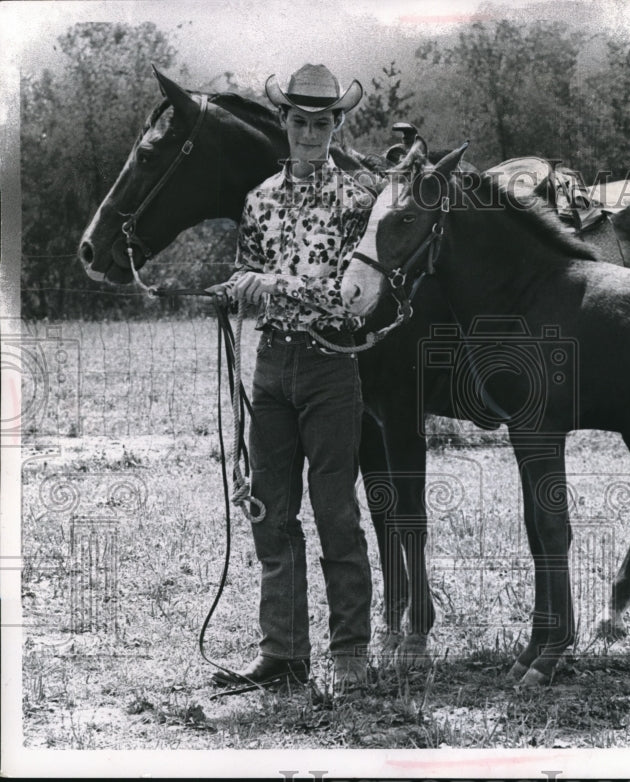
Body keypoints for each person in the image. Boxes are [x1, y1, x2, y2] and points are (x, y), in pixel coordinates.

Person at [208, 64, 376, 693]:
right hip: (271, 365)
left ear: (336, 126)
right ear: (284, 123)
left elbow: (351, 299)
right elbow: (248, 272)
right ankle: (283, 653)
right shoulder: (258, 200)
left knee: (336, 511)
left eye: (322, 123)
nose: (310, 133)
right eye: (300, 122)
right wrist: (232, 291)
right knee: (269, 511)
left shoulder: (357, 201)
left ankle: (350, 652)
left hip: (332, 366)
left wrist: (272, 284)